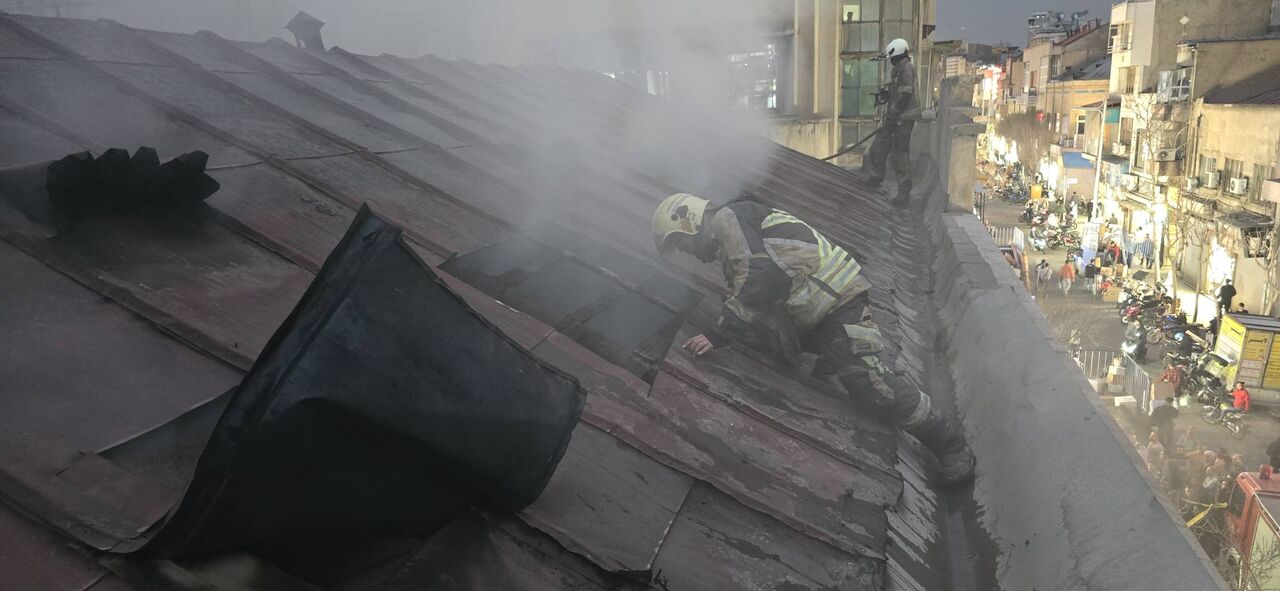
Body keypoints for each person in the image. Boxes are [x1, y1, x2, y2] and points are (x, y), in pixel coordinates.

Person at [652, 192, 975, 484]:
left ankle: (949, 442)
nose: (687, 253)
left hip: (837, 302)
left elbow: (760, 277)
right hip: (815, 309)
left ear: (687, 221)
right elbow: (763, 289)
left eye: (680, 244)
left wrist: (717, 333)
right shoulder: (734, 229)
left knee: (868, 382)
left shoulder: (726, 219)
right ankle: (830, 356)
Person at [863, 38, 921, 206]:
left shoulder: (907, 69)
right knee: (880, 145)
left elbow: (906, 94)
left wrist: (894, 109)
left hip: (903, 119)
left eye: (892, 58)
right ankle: (876, 177)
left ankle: (903, 196)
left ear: (898, 54)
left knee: (899, 156)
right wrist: (886, 95)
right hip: (895, 118)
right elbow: (898, 91)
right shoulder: (899, 70)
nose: (891, 61)